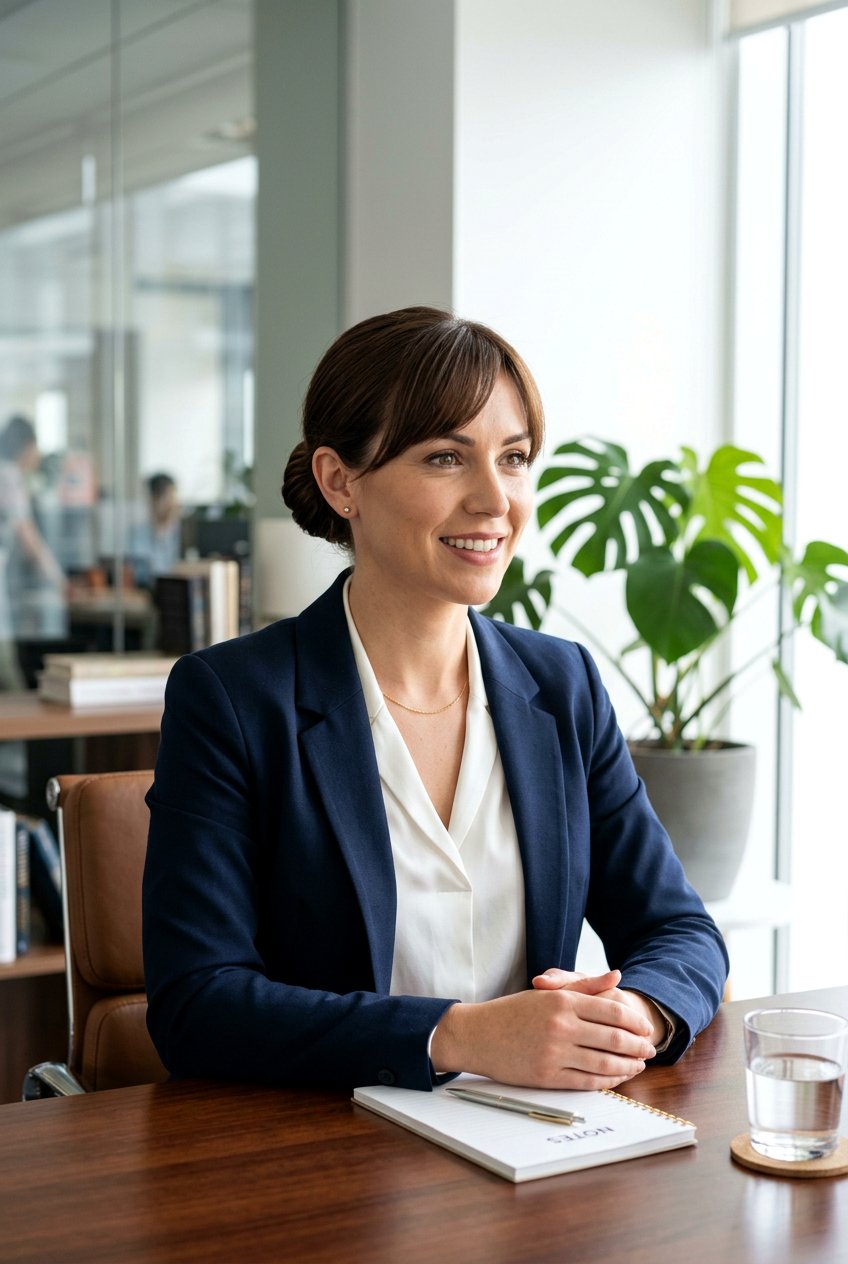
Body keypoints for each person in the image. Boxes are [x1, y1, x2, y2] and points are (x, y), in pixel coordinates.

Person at [142, 307, 728, 1093]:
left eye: (514, 458)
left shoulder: (564, 686)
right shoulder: (233, 700)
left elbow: (679, 931)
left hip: (540, 1149)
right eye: (446, 458)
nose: (496, 500)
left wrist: (640, 1016)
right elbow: (196, 1006)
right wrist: (457, 1036)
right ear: (339, 480)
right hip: (327, 1158)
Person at [0, 414, 66, 687]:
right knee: (8, 676)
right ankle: (21, 731)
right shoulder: (9, 476)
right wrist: (59, 580)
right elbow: (29, 538)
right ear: (27, 446)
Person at [127, 472, 181, 587]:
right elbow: (143, 573)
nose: (173, 504)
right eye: (168, 498)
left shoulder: (182, 532)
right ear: (153, 499)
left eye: (173, 498)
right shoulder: (139, 533)